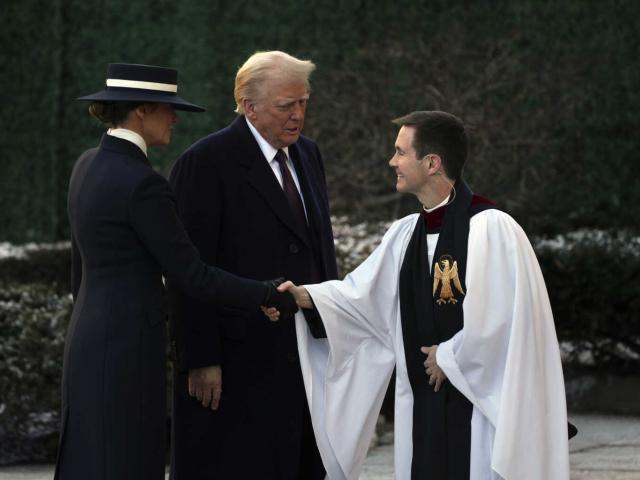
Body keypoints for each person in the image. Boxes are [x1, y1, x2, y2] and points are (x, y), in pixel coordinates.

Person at [278, 111, 573, 479]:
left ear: (431, 163)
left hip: (476, 412)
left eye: (401, 152)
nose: (392, 162)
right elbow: (361, 298)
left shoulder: (492, 229)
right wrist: (301, 296)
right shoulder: (405, 235)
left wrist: (448, 356)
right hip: (423, 407)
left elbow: (505, 323)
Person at [54, 63, 296, 480]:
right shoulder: (142, 184)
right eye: (168, 108)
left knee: (91, 462)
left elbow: (81, 270)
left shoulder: (86, 166)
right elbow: (193, 275)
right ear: (142, 112)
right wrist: (267, 293)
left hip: (86, 345)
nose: (175, 118)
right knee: (127, 464)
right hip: (128, 351)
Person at [167, 51, 337, 480]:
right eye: (286, 105)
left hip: (304, 356)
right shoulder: (205, 163)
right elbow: (189, 270)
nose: (298, 115)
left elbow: (320, 249)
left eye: (304, 102)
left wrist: (332, 324)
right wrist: (201, 357)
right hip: (238, 361)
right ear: (248, 106)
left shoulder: (308, 155)